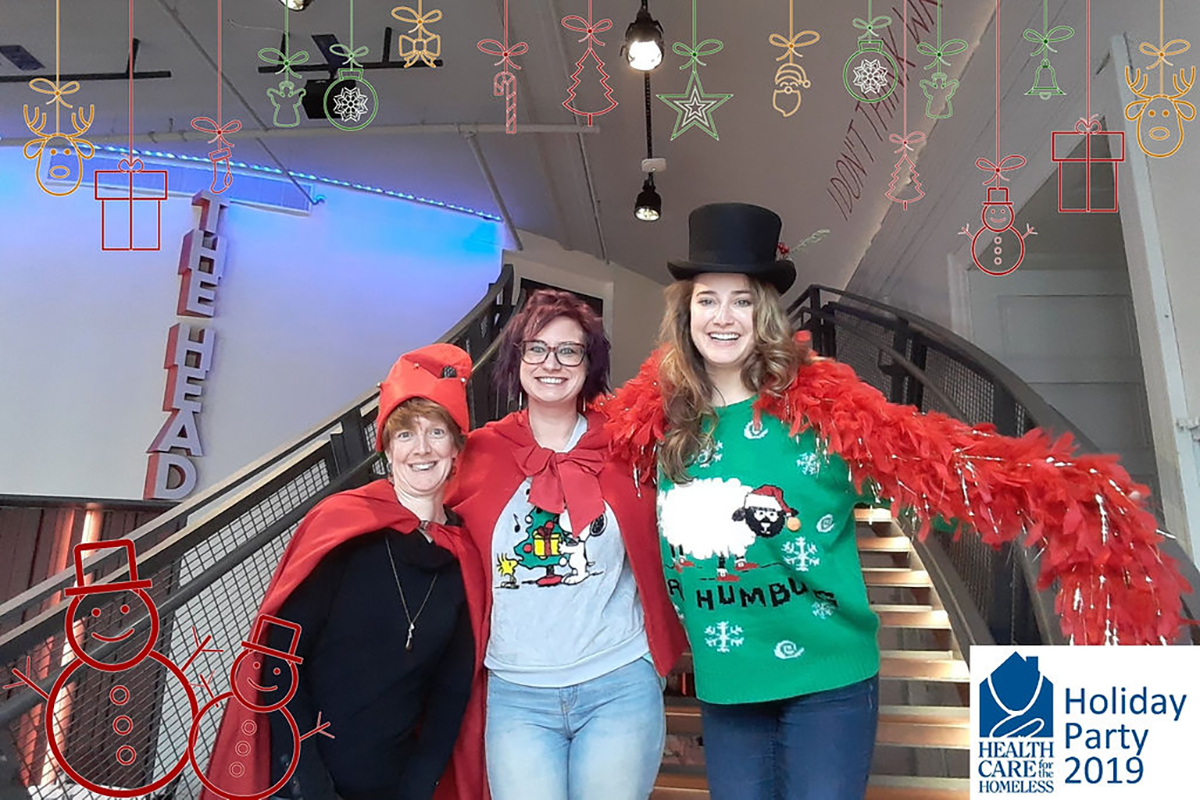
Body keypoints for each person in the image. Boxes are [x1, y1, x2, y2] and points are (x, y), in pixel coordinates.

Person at [605, 202, 1188, 799]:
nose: (723, 317)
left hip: (826, 681)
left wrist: (1061, 492)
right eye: (707, 300)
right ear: (687, 313)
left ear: (766, 314)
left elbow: (939, 465)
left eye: (742, 301)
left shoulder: (824, 410)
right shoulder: (658, 420)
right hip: (728, 680)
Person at [202, 344, 489, 800]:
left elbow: (451, 692)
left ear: (456, 448)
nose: (421, 449)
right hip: (302, 782)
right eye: (405, 434)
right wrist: (309, 784)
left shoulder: (464, 557)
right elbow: (278, 661)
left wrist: (416, 789)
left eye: (436, 432)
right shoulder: (342, 526)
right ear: (386, 449)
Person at [448, 289, 686, 800]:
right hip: (517, 694)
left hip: (618, 682)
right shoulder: (480, 453)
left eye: (568, 351)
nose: (551, 363)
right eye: (536, 348)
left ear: (589, 362)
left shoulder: (627, 445)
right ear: (516, 360)